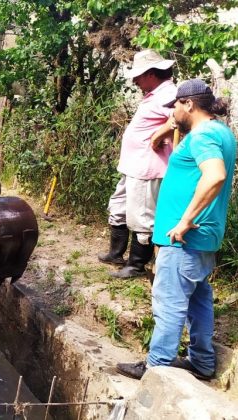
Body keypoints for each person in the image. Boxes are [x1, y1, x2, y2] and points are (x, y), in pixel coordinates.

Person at [116, 78, 236, 380]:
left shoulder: (203, 136)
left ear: (189, 104)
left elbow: (215, 175)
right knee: (198, 301)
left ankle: (156, 367)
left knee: (169, 302)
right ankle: (202, 362)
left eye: (176, 108)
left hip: (185, 237)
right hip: (204, 237)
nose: (173, 114)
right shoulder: (221, 132)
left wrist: (184, 221)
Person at [98, 49, 178, 279]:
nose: (135, 81)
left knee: (142, 217)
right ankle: (116, 253)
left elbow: (180, 117)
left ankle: (136, 265)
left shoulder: (168, 93)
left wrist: (158, 136)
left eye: (139, 76)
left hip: (148, 167)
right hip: (133, 166)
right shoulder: (155, 93)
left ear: (151, 74)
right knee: (118, 207)